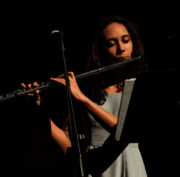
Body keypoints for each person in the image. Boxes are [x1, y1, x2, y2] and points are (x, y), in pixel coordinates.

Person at [21, 15, 148, 177]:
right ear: (100, 51)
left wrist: (81, 98)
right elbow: (66, 147)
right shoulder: (87, 90)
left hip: (130, 167)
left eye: (125, 40)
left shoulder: (141, 87)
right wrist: (38, 111)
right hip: (93, 169)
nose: (121, 49)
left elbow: (123, 132)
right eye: (111, 44)